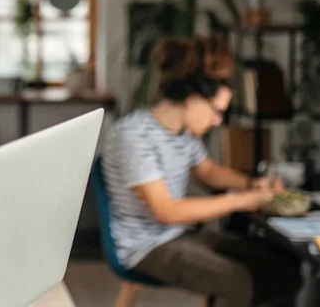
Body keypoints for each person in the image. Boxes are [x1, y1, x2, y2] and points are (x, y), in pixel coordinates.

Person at [101, 37, 302, 307]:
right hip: (146, 248)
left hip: (180, 235)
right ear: (194, 99)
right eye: (216, 112)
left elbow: (208, 171)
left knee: (283, 271)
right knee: (236, 281)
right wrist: (240, 201)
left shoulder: (185, 134)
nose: (217, 121)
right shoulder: (133, 135)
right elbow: (166, 211)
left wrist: (253, 184)